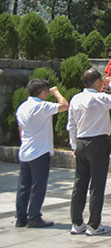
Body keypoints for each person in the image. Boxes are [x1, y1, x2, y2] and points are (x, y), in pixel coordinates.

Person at [67, 69, 111, 235]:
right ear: (96, 81)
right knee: (97, 184)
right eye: (101, 81)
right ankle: (94, 225)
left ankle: (76, 223)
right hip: (97, 142)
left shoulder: (76, 98)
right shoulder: (99, 98)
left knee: (79, 183)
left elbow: (71, 124)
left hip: (81, 141)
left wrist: (74, 145)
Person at [15, 78, 69, 228]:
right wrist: (56, 92)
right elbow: (64, 105)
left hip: (25, 150)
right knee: (38, 186)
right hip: (39, 152)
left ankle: (21, 217)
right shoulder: (41, 106)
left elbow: (20, 130)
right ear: (43, 92)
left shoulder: (22, 107)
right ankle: (34, 217)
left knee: (23, 186)